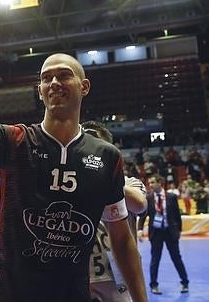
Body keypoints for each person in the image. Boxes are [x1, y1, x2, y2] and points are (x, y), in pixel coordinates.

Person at [0, 16, 147, 302]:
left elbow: (121, 241)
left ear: (84, 86)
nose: (54, 82)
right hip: (9, 294)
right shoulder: (15, 140)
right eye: (46, 78)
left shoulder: (106, 156)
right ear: (40, 92)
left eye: (63, 75)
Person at [82, 121, 148, 302]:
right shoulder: (74, 182)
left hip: (118, 276)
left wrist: (105, 175)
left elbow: (140, 205)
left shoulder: (129, 182)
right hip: (81, 276)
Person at [138, 174, 189, 294]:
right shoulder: (148, 198)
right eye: (149, 183)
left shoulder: (171, 197)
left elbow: (177, 215)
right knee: (155, 259)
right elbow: (143, 215)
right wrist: (140, 229)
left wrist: (179, 231)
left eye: (152, 182)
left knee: (176, 258)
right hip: (156, 233)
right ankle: (153, 285)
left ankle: (185, 282)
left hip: (170, 232)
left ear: (160, 183)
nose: (149, 185)